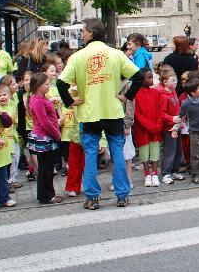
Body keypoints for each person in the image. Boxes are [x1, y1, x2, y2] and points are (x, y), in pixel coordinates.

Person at [57, 18, 144, 211]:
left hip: (89, 113)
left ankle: (93, 197)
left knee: (89, 154)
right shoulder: (115, 54)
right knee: (117, 153)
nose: (81, 34)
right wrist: (127, 96)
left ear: (90, 33)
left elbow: (61, 83)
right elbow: (138, 77)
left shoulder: (78, 56)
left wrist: (70, 102)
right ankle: (122, 194)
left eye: (82, 31)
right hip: (112, 111)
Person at [27, 72, 63, 205]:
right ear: (38, 86)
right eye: (46, 84)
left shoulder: (40, 98)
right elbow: (44, 122)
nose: (49, 86)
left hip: (46, 135)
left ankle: (48, 193)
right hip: (44, 136)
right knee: (45, 168)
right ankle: (47, 195)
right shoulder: (37, 101)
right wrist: (57, 134)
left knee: (47, 167)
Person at [132, 69, 167, 187]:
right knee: (144, 151)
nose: (152, 79)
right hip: (143, 129)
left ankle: (155, 173)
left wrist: (158, 125)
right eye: (149, 77)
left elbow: (161, 110)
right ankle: (147, 174)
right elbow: (137, 114)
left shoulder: (156, 93)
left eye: (152, 77)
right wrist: (151, 126)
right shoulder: (136, 94)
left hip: (155, 127)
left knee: (155, 150)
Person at [174, 77, 199, 184]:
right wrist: (175, 128)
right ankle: (196, 175)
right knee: (196, 155)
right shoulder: (186, 103)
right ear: (193, 93)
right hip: (194, 132)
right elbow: (180, 116)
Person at [156, 64, 183, 184]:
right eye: (173, 80)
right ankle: (166, 173)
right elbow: (161, 114)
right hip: (169, 128)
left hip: (177, 126)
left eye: (176, 79)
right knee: (169, 150)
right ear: (165, 82)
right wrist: (172, 119)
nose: (176, 82)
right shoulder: (163, 95)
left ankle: (174, 170)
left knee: (178, 150)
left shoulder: (173, 92)